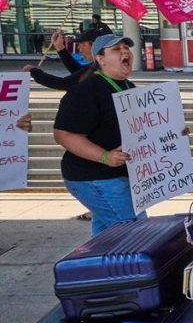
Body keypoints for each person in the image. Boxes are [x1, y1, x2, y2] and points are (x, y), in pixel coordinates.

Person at [52, 34, 145, 236]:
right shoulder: (86, 91)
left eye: (125, 48)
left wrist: (172, 133)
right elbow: (64, 134)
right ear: (100, 59)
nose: (124, 51)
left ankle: (94, 266)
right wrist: (105, 156)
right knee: (137, 232)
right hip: (94, 177)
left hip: (118, 175)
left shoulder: (128, 87)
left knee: (105, 236)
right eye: (116, 49)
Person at [23, 29, 100, 91]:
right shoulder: (98, 66)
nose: (79, 48)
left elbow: (64, 83)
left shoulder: (100, 69)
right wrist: (59, 47)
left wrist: (35, 72)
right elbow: (79, 72)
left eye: (82, 44)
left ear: (94, 45)